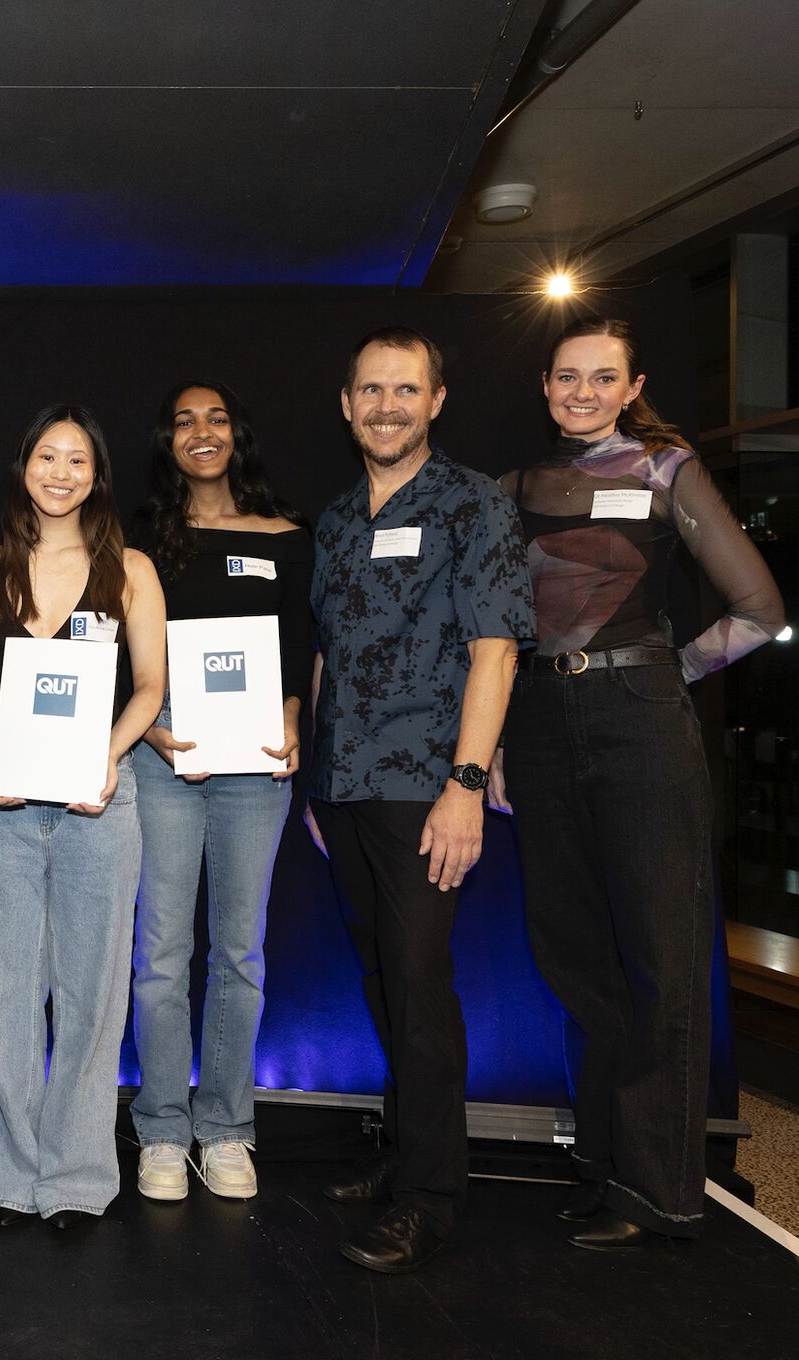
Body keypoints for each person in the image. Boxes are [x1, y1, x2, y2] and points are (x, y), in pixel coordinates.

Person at [495, 315, 782, 1252]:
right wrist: (492, 745)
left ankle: (663, 1192)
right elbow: (496, 630)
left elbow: (759, 612)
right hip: (534, 729)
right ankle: (607, 1165)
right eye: (566, 376)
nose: (582, 391)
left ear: (632, 385)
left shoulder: (665, 470)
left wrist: (662, 672)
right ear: (545, 385)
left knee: (661, 956)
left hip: (641, 728)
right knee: (572, 954)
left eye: (602, 377)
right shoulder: (514, 488)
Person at [309, 327, 536, 1274]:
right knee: (379, 976)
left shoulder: (474, 505)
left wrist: (467, 786)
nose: (387, 406)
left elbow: (497, 648)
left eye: (406, 390)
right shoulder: (334, 520)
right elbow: (327, 649)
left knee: (420, 984)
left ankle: (431, 1198)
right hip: (345, 786)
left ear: (436, 401)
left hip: (426, 786)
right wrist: (316, 782)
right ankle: (406, 1151)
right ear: (347, 403)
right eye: (371, 391)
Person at [0, 405, 165, 1228]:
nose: (60, 473)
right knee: (1, 995)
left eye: (77, 460)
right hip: (1, 812)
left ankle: (79, 1177)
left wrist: (106, 758)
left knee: (91, 997)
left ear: (96, 476)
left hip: (97, 807)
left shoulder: (132, 570)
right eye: (47, 456)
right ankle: (7, 1176)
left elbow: (150, 688)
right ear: (23, 467)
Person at [126, 379, 311, 1203]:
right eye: (183, 421)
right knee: (162, 953)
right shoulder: (140, 539)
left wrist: (296, 717)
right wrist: (146, 724)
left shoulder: (287, 537)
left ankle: (227, 1127)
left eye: (217, 418)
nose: (202, 432)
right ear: (167, 441)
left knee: (240, 950)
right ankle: (163, 1127)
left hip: (256, 756)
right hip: (163, 746)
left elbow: (303, 646)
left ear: (240, 434)